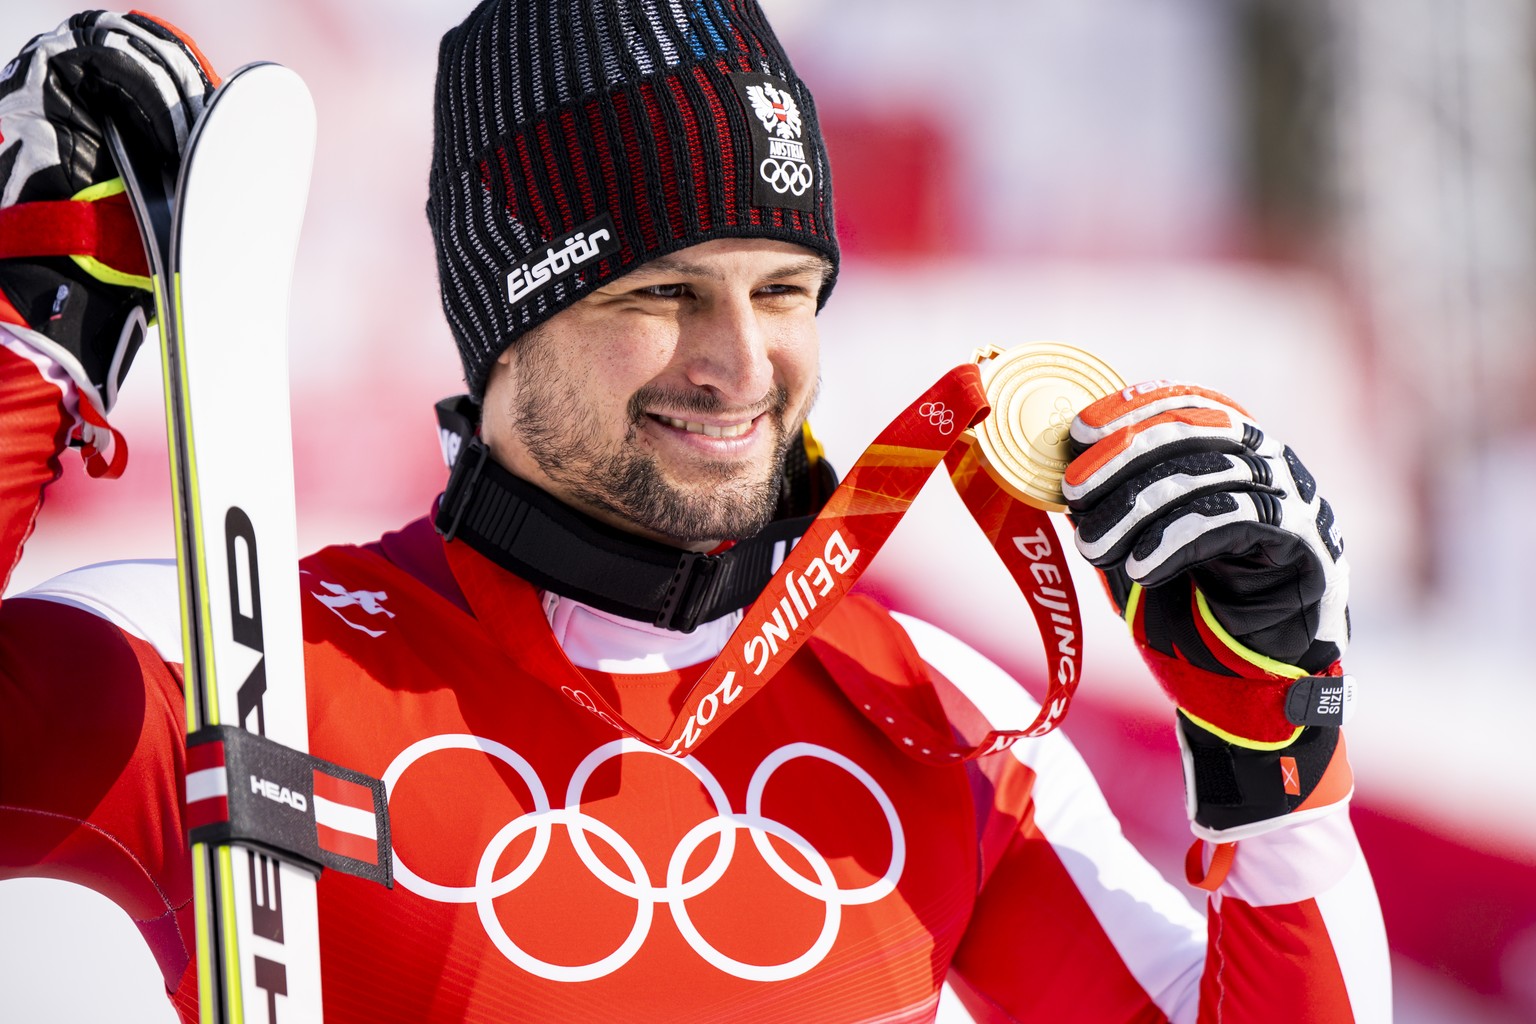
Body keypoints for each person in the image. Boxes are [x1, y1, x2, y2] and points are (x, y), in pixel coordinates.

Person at [0, 3, 1391, 1022]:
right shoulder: (236, 664)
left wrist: (1281, 769)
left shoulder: (939, 726)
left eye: (784, 291)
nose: (740, 364)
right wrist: (24, 343)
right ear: (503, 328)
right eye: (660, 293)